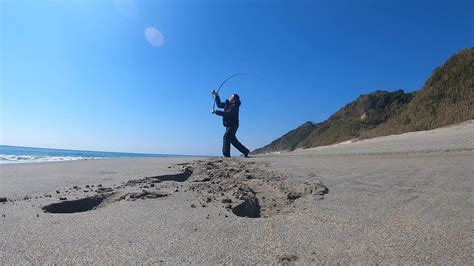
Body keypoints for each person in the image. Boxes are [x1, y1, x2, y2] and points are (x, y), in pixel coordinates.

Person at [211, 90, 250, 158]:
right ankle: (245, 151)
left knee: (226, 137)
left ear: (234, 100)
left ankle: (226, 155)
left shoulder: (235, 107)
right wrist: (216, 96)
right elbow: (219, 104)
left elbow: (228, 114)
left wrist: (216, 112)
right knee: (232, 140)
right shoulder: (227, 104)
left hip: (233, 125)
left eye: (231, 97)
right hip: (228, 125)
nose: (229, 97)